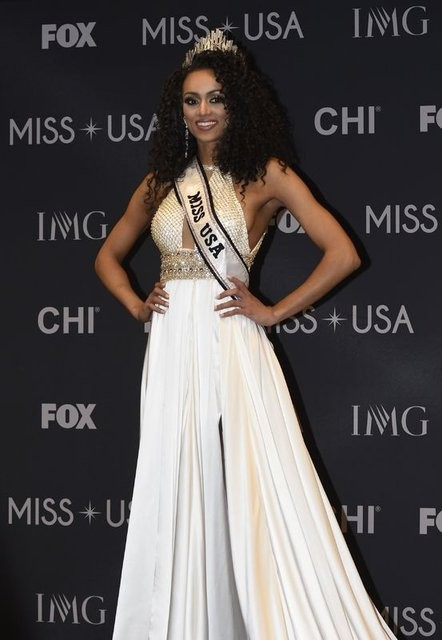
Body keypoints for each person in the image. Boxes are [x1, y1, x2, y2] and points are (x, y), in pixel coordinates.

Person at [95, 29, 396, 640]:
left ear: (237, 103)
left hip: (230, 337)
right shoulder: (163, 180)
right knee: (176, 476)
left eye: (215, 98)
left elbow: (342, 253)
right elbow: (107, 256)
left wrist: (274, 310)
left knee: (253, 477)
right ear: (178, 110)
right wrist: (135, 303)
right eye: (191, 100)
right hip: (171, 342)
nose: (203, 111)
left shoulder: (267, 174)